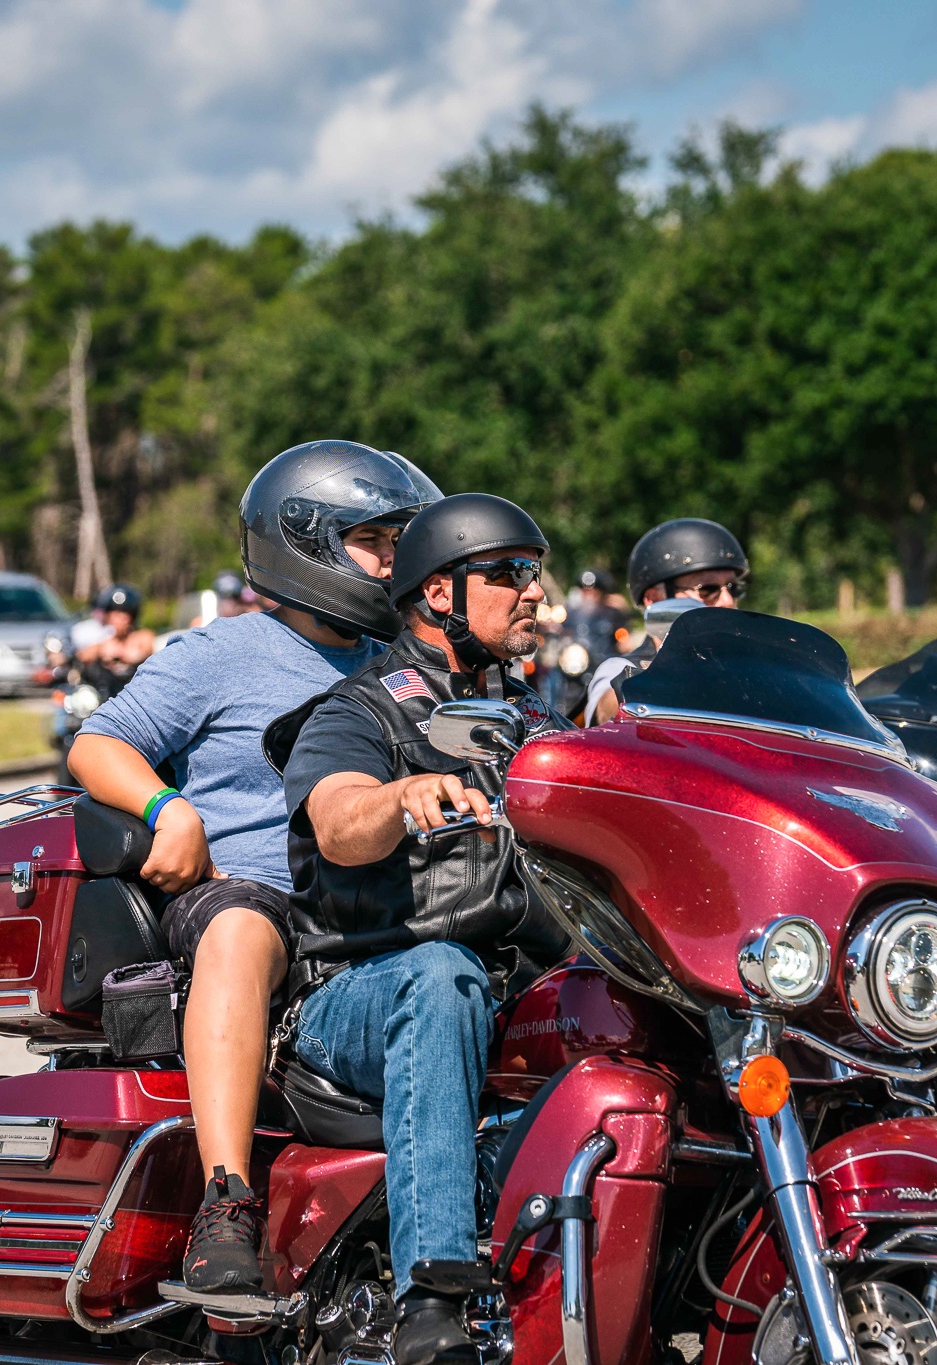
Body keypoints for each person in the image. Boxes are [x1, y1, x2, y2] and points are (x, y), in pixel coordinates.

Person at [66, 441, 439, 1300]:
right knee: (237, 931)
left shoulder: (412, 663)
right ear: (304, 541)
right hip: (249, 893)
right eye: (376, 542)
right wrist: (170, 810)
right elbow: (98, 742)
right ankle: (225, 1201)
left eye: (402, 542)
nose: (397, 563)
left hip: (384, 904)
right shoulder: (222, 653)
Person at [271, 492, 569, 1365]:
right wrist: (400, 797)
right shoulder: (359, 711)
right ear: (441, 592)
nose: (534, 594)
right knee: (440, 972)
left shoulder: (537, 724)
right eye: (511, 572)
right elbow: (336, 819)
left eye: (534, 573)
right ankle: (431, 1301)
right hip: (355, 997)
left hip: (502, 988)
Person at [584, 518, 750, 725]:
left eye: (733, 588)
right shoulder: (621, 668)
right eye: (707, 589)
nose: (727, 600)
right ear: (654, 598)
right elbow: (605, 711)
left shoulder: (748, 668)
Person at [76, 583, 157, 694]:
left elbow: (145, 649)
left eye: (124, 615)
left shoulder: (143, 636)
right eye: (115, 614)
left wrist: (121, 655)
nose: (119, 620)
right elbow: (84, 654)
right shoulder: (106, 641)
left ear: (132, 617)